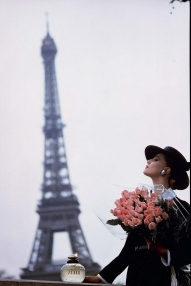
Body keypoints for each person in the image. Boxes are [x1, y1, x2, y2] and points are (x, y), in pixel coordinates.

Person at [84, 145, 190, 286]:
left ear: (167, 170)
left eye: (155, 159)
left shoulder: (184, 210)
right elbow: (129, 250)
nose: (149, 161)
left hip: (163, 277)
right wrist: (103, 277)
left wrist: (163, 251)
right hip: (136, 275)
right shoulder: (140, 203)